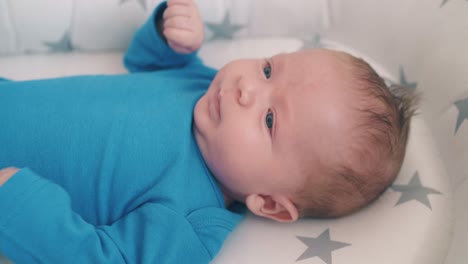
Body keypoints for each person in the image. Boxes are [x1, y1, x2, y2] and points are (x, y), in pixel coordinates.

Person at [0, 0, 418, 263]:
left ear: (270, 203)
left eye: (270, 119)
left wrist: (18, 205)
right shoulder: (206, 87)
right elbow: (146, 65)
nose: (246, 87)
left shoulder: (188, 223)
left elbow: (101, 257)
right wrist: (170, 37)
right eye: (268, 68)